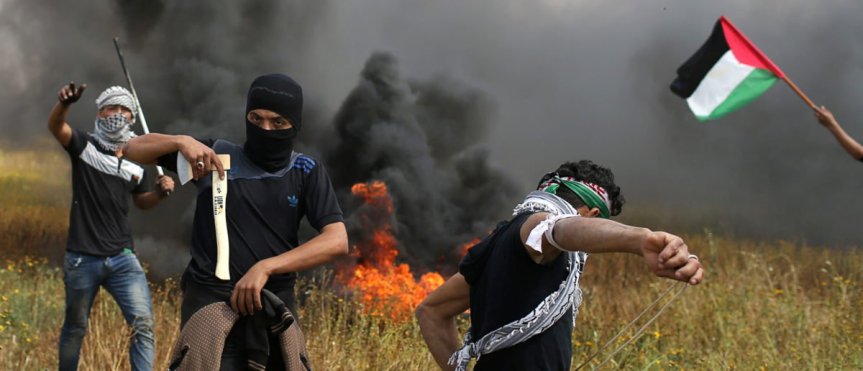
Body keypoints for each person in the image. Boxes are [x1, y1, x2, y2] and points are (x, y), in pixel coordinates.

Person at [121, 73, 349, 370]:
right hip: (211, 309)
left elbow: (337, 239)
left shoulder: (305, 171)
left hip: (273, 311)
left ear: (295, 124)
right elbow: (133, 148)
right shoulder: (216, 156)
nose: (265, 129)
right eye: (256, 119)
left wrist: (266, 267)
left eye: (278, 122)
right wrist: (181, 141)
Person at [415, 160, 705, 371]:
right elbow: (558, 230)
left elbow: (431, 311)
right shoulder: (536, 227)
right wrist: (641, 239)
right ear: (590, 215)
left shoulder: (495, 244)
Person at [49, 82, 175, 371]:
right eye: (111, 108)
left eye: (123, 109)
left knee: (142, 326)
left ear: (132, 117)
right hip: (82, 257)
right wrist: (65, 104)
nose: (117, 114)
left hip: (122, 257)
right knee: (76, 328)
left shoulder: (137, 160)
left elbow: (141, 201)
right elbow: (57, 126)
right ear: (100, 112)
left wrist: (159, 192)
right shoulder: (84, 146)